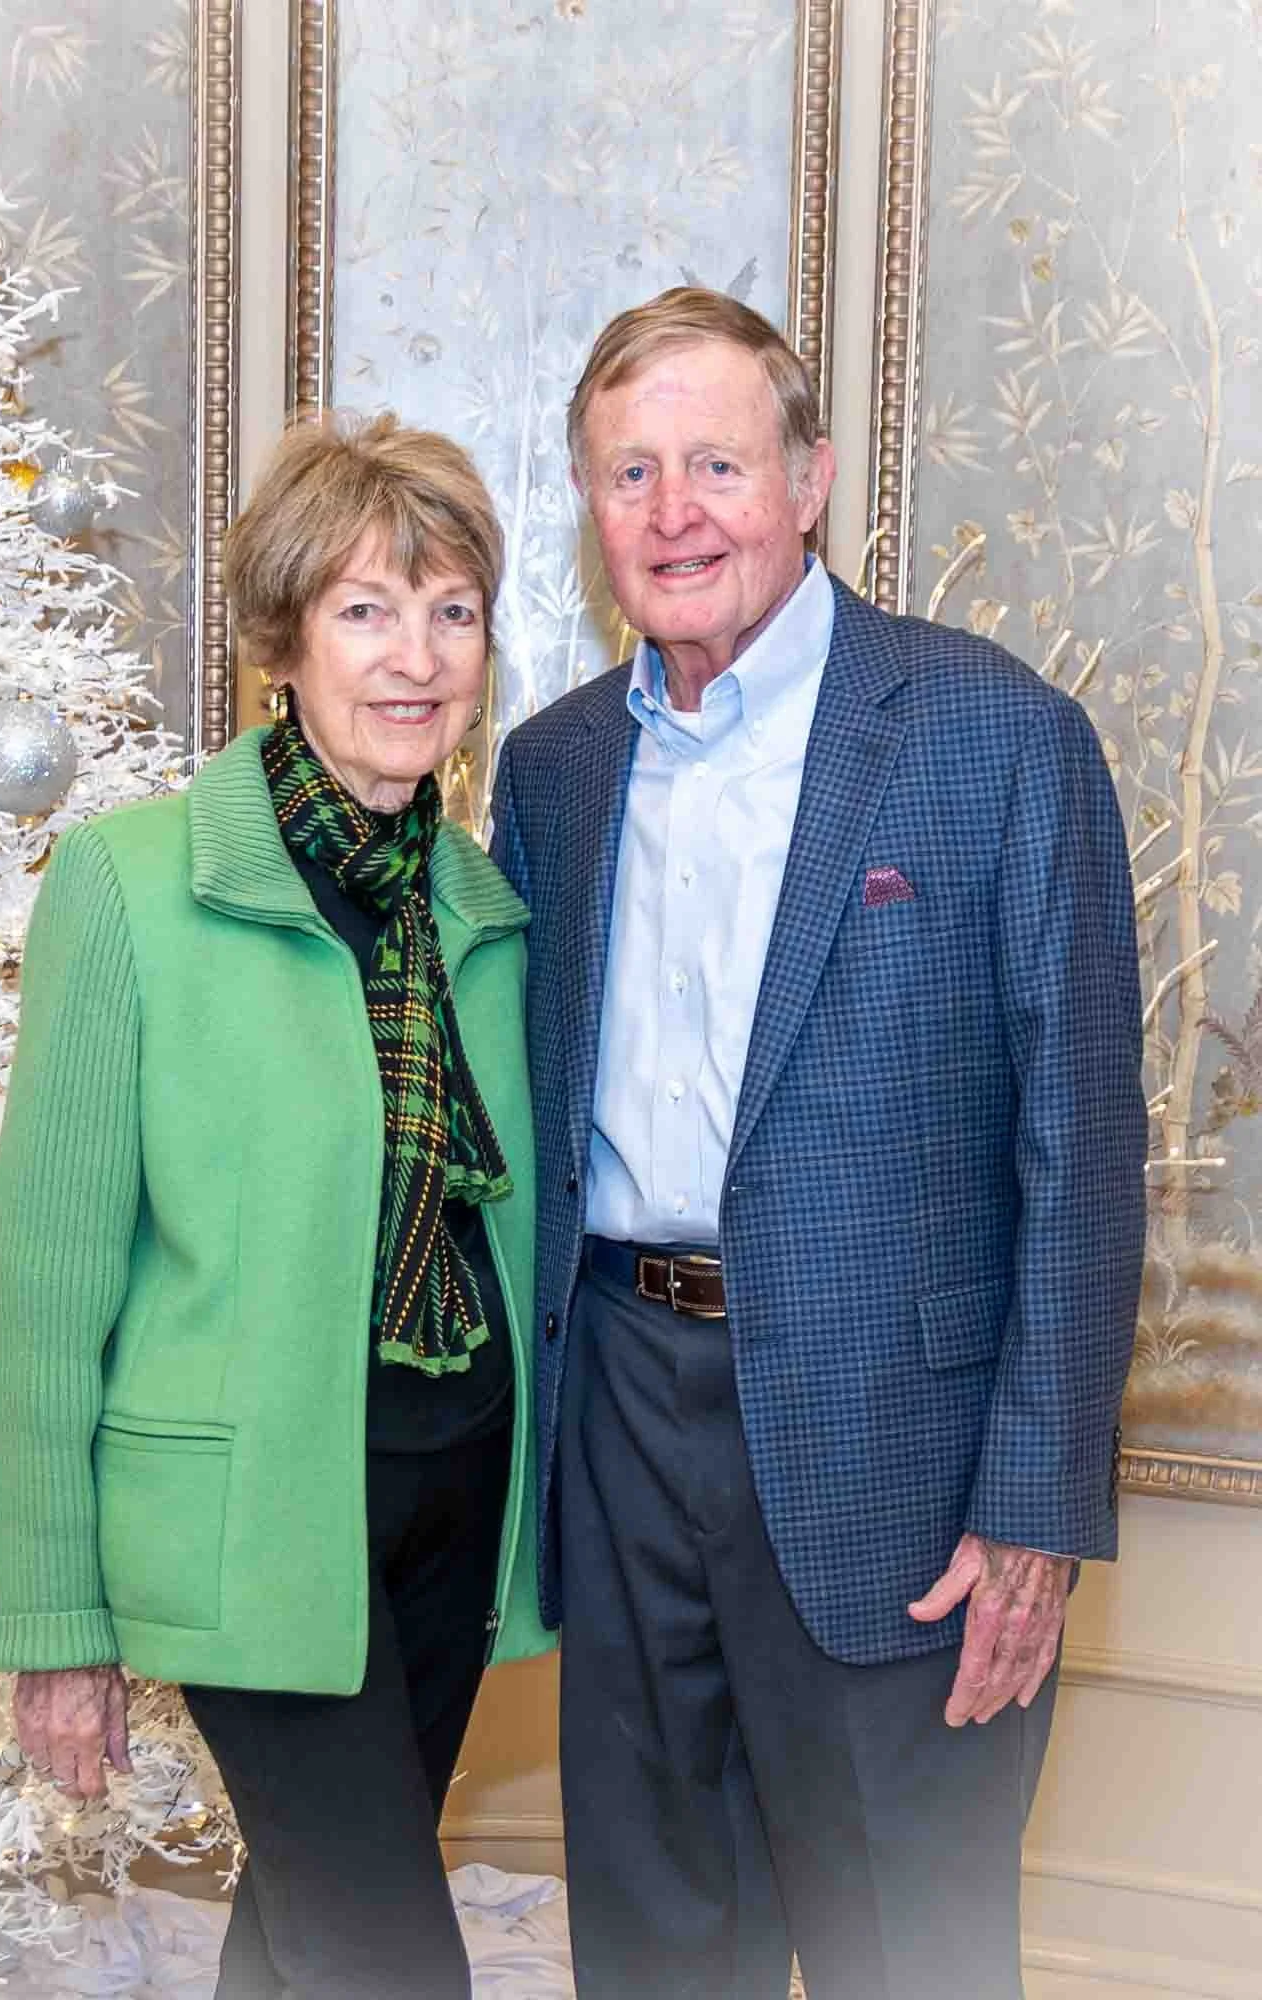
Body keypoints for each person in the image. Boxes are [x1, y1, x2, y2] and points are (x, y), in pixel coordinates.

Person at [490, 287, 1146, 2000]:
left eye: (716, 461)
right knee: (650, 1947)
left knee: (905, 1959)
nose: (674, 511)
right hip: (623, 1420)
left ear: (811, 480)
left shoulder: (994, 736)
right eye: (628, 474)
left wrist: (1036, 1507)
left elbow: (1081, 1150)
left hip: (900, 1471)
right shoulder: (549, 774)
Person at [0, 412, 552, 2000]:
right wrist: (53, 1613)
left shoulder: (488, 915)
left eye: (452, 612)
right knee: (387, 1958)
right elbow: (47, 1279)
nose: (416, 657)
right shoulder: (131, 885)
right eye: (368, 609)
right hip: (249, 1529)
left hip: (452, 1505)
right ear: (282, 642)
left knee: (304, 1934)